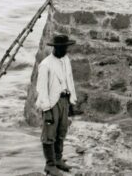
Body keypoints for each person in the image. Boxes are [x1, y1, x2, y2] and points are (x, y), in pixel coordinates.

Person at [36, 34, 78, 175]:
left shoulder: (66, 60)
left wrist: (72, 101)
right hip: (51, 103)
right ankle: (50, 164)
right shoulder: (45, 64)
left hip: (64, 100)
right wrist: (46, 110)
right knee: (49, 134)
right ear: (56, 48)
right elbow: (41, 89)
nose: (65, 50)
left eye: (66, 47)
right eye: (62, 48)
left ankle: (58, 159)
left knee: (61, 131)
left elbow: (69, 80)